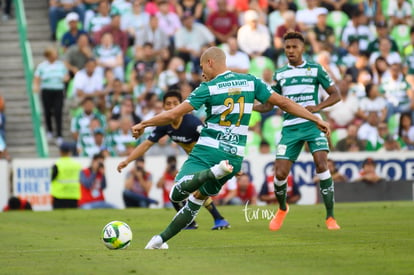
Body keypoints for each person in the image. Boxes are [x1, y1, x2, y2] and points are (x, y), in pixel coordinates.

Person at [120, 46, 330, 249]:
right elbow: (284, 103)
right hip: (234, 157)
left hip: (208, 150)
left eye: (202, 67)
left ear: (210, 63)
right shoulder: (250, 81)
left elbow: (174, 114)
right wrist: (314, 118)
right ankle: (159, 240)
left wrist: (144, 124)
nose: (202, 72)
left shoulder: (208, 88)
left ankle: (210, 172)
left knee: (176, 194)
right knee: (196, 201)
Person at [254, 32, 341, 231]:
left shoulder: (316, 69)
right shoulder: (280, 74)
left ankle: (330, 217)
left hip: (312, 124)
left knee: (321, 164)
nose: (291, 50)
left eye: (294, 47)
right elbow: (270, 106)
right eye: (287, 47)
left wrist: (317, 108)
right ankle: (283, 208)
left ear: (302, 49)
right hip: (290, 127)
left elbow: (336, 95)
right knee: (280, 173)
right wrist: (250, 107)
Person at [117, 90, 231, 230]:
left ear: (182, 105)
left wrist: (226, 160)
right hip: (195, 161)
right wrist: (127, 161)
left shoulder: (192, 123)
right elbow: (147, 144)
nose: (172, 107)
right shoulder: (165, 125)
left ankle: (203, 221)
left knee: (183, 190)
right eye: (168, 104)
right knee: (187, 192)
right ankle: (210, 220)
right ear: (164, 107)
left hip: (206, 159)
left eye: (175, 103)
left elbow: (211, 139)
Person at [33, 46, 69, 146]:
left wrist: (64, 79)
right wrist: (36, 86)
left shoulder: (61, 65)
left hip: (58, 90)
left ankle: (59, 134)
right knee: (47, 111)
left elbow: (66, 76)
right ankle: (49, 130)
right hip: (47, 90)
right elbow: (37, 77)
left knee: (58, 112)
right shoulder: (42, 66)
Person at [50, 142, 82, 209]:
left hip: (60, 196)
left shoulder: (57, 164)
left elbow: (51, 178)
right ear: (69, 152)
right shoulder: (77, 165)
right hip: (73, 195)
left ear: (60, 151)